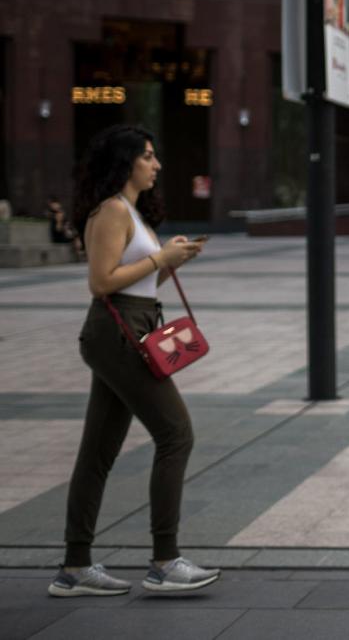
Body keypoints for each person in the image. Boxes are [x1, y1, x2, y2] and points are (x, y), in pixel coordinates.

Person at [49, 124, 220, 597]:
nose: (156, 164)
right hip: (115, 333)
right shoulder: (110, 212)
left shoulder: (133, 213)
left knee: (98, 452)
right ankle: (165, 561)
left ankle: (74, 568)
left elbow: (135, 284)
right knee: (176, 433)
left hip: (132, 327)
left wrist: (169, 264)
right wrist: (159, 257)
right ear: (125, 162)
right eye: (147, 156)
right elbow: (102, 283)